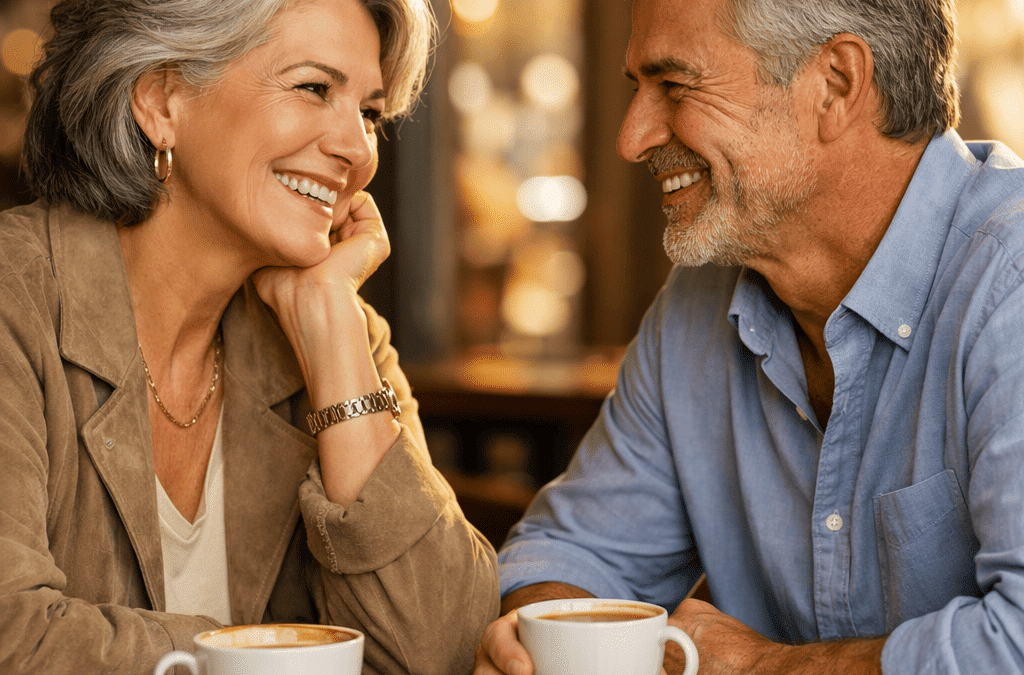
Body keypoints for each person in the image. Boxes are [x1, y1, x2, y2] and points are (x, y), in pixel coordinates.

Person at [474, 0, 1024, 673]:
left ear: (836, 84)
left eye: (674, 87)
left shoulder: (1011, 285)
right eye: (637, 89)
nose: (632, 137)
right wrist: (554, 634)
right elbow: (567, 556)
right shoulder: (697, 307)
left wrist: (762, 668)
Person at [0, 0, 499, 673]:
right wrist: (263, 654)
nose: (356, 151)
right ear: (162, 100)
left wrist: (331, 326)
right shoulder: (15, 299)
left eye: (370, 113)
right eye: (314, 88)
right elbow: (13, 636)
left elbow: (441, 648)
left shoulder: (340, 333)